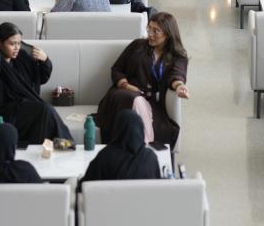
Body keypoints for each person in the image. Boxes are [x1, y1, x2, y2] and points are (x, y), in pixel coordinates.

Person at [96, 13, 189, 146]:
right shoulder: (137, 45)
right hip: (122, 94)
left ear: (168, 34)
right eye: (149, 28)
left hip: (149, 101)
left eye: (156, 31)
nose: (150, 34)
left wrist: (180, 87)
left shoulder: (178, 56)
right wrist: (126, 85)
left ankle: (142, 149)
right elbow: (116, 69)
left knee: (150, 113)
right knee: (137, 100)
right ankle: (146, 150)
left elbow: (176, 76)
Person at [0, 22, 72, 146]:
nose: (17, 47)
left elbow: (40, 79)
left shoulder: (21, 60)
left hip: (22, 107)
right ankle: (65, 144)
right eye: (12, 44)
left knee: (43, 110)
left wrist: (45, 61)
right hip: (2, 112)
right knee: (44, 109)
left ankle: (46, 147)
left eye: (19, 43)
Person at [78, 110, 160, 190]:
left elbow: (85, 186)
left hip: (110, 203)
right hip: (145, 203)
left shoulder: (105, 157)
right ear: (140, 129)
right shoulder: (150, 157)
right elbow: (159, 187)